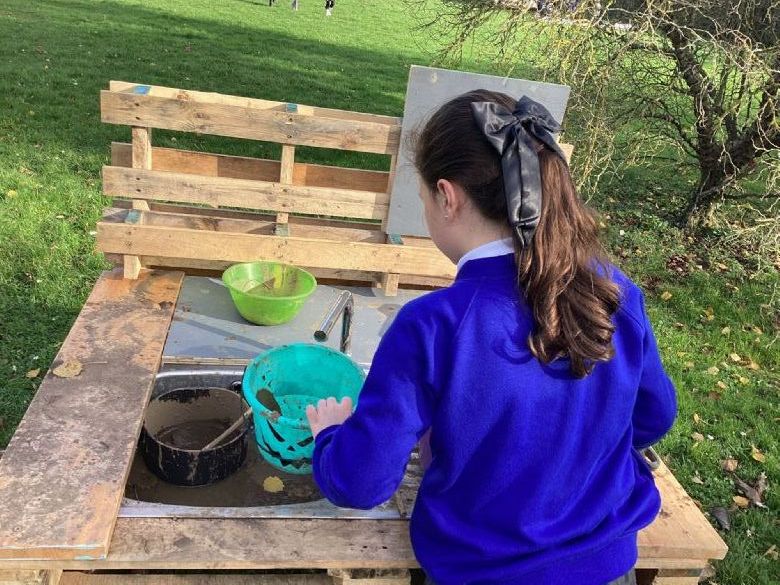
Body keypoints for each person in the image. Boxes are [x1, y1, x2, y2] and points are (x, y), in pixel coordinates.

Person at [305, 90, 677, 585]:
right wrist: (569, 454)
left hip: (483, 570)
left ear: (447, 196)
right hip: (606, 565)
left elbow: (360, 480)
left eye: (422, 200)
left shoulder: (432, 325)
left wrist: (330, 436)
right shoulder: (615, 292)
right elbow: (654, 414)